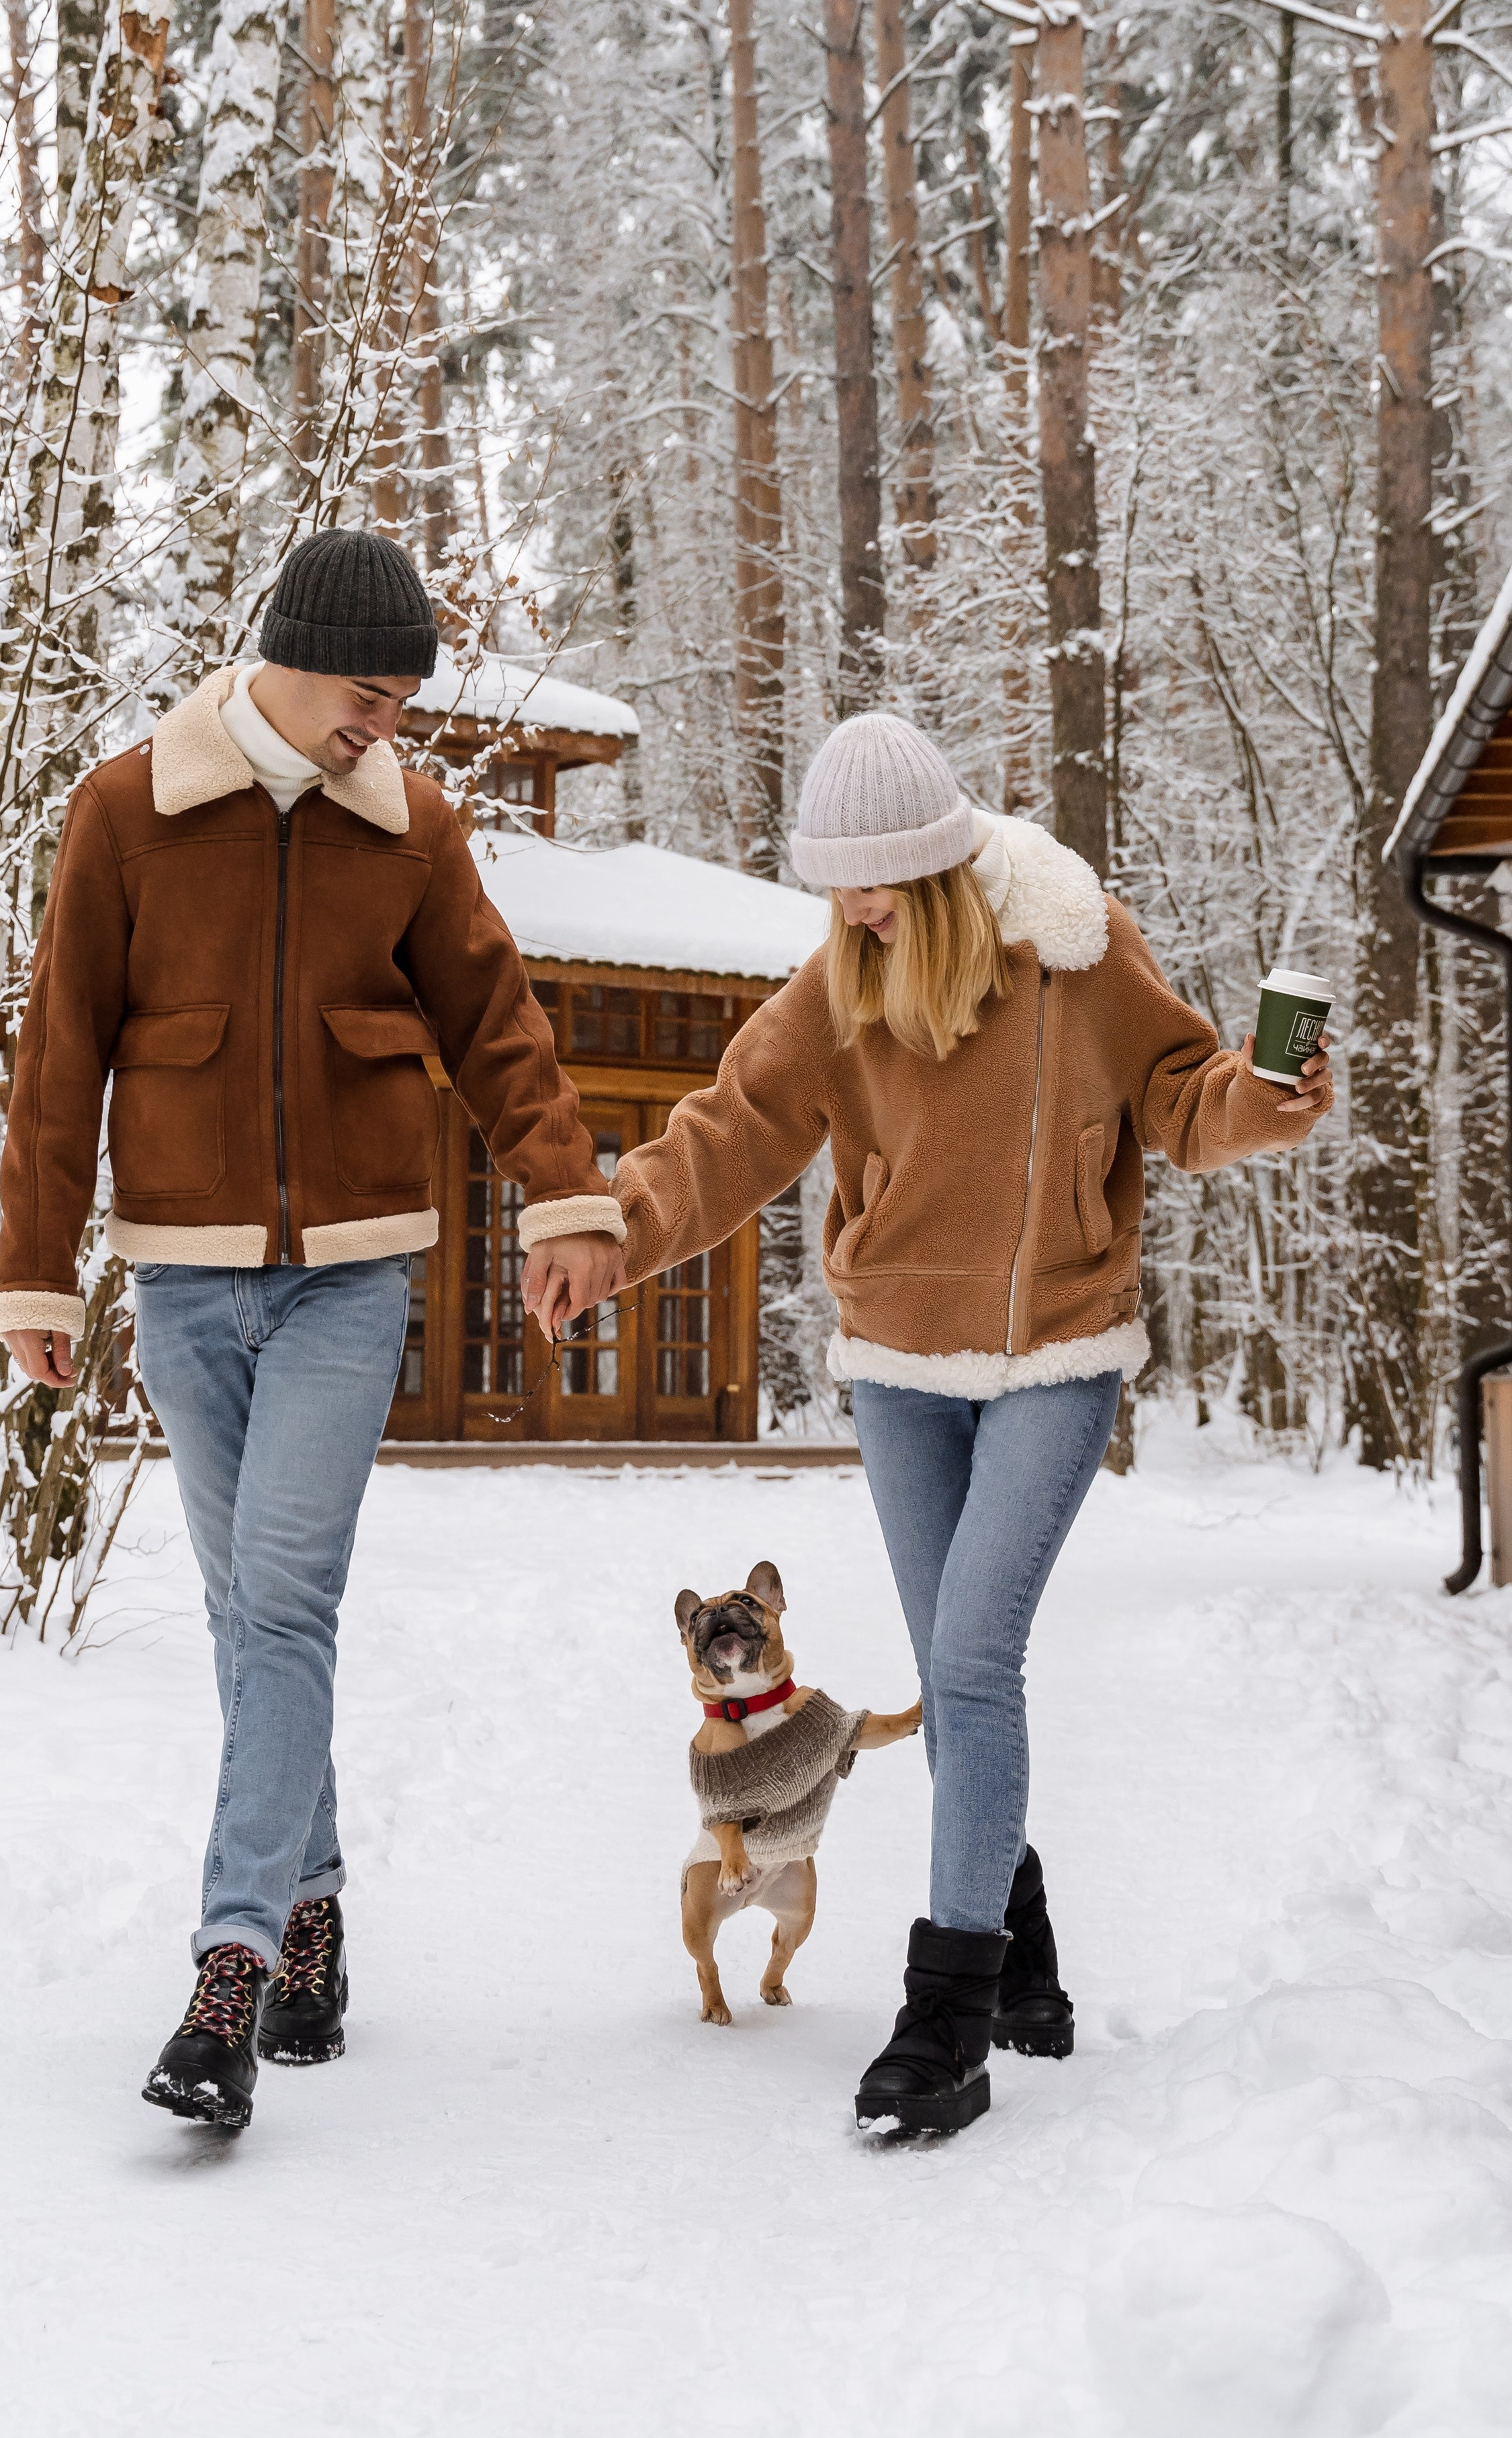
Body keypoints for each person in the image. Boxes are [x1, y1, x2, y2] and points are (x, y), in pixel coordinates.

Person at [529, 711, 1332, 2138]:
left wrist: (1260, 1105)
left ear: (945, 866)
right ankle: (1016, 1937)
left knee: (969, 1662)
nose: (855, 907)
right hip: (899, 1365)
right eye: (835, 883)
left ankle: (944, 2011)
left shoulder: (1075, 950)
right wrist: (616, 1227)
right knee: (956, 1671)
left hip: (1056, 1350)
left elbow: (1180, 1091)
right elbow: (728, 1129)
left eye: (880, 882)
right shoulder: (835, 985)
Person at [0, 529, 623, 2129]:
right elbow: (61, 1055)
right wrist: (36, 1271)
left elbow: (497, 1024)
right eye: (367, 694)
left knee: (279, 1601)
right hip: (186, 1278)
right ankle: (319, 1914)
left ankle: (229, 1969)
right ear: (287, 656)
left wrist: (563, 1196)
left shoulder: (411, 824)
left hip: (352, 1272)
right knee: (244, 1617)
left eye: (404, 703)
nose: (386, 727)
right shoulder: (127, 811)